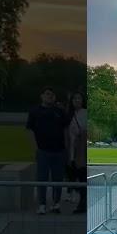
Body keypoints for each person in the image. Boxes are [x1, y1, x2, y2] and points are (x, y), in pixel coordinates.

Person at [26, 87, 70, 215]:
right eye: (47, 94)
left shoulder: (60, 112)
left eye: (52, 94)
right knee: (42, 179)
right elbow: (29, 130)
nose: (49, 96)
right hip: (43, 151)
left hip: (59, 150)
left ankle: (56, 203)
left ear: (54, 97)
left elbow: (66, 130)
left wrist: (66, 148)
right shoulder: (35, 111)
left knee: (58, 179)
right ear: (42, 96)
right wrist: (35, 148)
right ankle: (42, 204)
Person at [67, 91, 87, 214]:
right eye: (74, 99)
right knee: (74, 177)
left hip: (80, 151)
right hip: (71, 150)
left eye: (79, 98)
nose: (77, 101)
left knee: (81, 177)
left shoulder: (84, 113)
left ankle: (82, 203)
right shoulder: (69, 114)